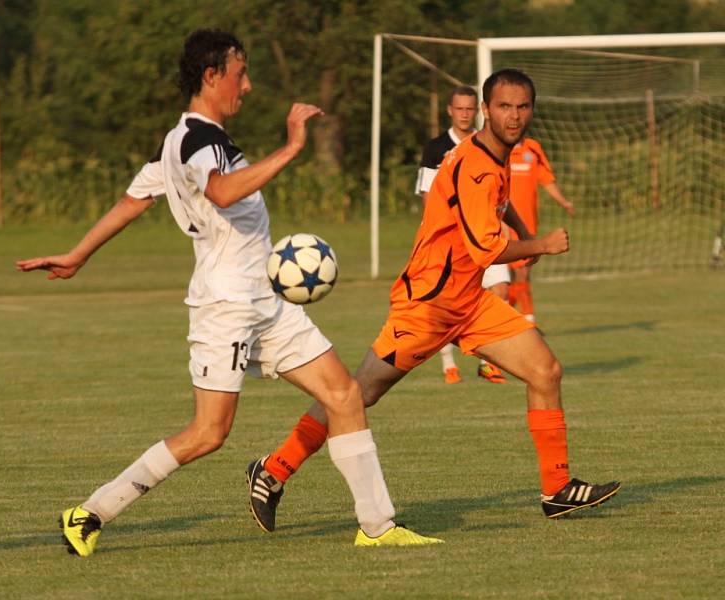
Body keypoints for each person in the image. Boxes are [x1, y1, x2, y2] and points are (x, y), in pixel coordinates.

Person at [16, 29, 441, 555]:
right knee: (208, 433)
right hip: (226, 306)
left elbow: (133, 200)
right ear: (212, 76)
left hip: (265, 300)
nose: (248, 85)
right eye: (241, 74)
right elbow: (220, 191)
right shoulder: (197, 140)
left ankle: (377, 525)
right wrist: (292, 147)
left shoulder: (183, 140)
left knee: (344, 393)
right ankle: (91, 512)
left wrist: (78, 254)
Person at [246, 69, 621, 535]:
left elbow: (500, 204)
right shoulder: (475, 164)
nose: (514, 115)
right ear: (486, 108)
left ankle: (557, 489)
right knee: (357, 394)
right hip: (428, 303)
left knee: (545, 370)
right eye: (504, 106)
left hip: (469, 301)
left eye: (523, 106)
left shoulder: (496, 155)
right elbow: (487, 248)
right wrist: (541, 245)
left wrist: (524, 232)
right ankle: (273, 470)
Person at [416, 86, 509, 385]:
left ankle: (487, 362)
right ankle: (448, 364)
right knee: (450, 303)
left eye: (470, 108)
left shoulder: (488, 144)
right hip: (452, 241)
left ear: (478, 109)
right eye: (460, 109)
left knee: (501, 290)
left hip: (486, 233)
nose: (465, 114)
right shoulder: (436, 148)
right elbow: (428, 194)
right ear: (450, 111)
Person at [507, 138, 575, 325]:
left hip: (527, 226)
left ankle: (516, 320)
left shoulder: (533, 148)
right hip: (501, 225)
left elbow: (546, 179)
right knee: (507, 281)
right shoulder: (499, 148)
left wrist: (564, 201)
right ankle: (525, 321)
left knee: (521, 275)